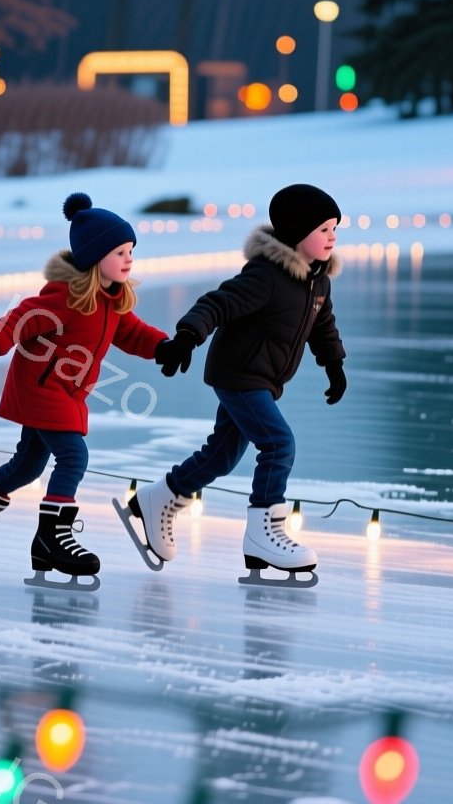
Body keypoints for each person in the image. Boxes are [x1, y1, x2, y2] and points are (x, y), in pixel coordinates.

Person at [0, 193, 174, 590]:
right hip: (42, 389)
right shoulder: (64, 297)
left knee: (28, 465)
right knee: (73, 455)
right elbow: (21, 319)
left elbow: (132, 333)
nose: (129, 258)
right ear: (95, 258)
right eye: (120, 251)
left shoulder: (113, 301)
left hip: (68, 392)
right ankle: (51, 537)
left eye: (131, 250)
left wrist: (163, 346)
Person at [125, 183, 347, 588]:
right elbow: (217, 303)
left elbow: (323, 325)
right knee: (278, 443)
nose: (332, 237)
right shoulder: (267, 275)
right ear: (297, 234)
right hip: (240, 375)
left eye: (335, 229)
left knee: (222, 457)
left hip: (262, 378)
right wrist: (188, 336)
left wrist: (334, 363)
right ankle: (264, 531)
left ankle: (158, 497)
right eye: (324, 229)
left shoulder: (319, 281)